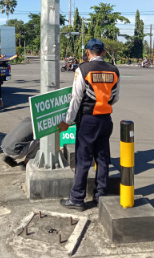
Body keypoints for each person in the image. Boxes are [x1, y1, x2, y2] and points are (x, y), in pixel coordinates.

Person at [58, 39, 120, 211]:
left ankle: (77, 198)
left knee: (83, 159)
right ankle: (100, 196)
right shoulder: (114, 70)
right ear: (103, 52)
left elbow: (76, 98)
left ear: (87, 53)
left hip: (88, 120)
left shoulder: (83, 69)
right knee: (102, 158)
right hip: (106, 119)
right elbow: (115, 97)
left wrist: (67, 121)